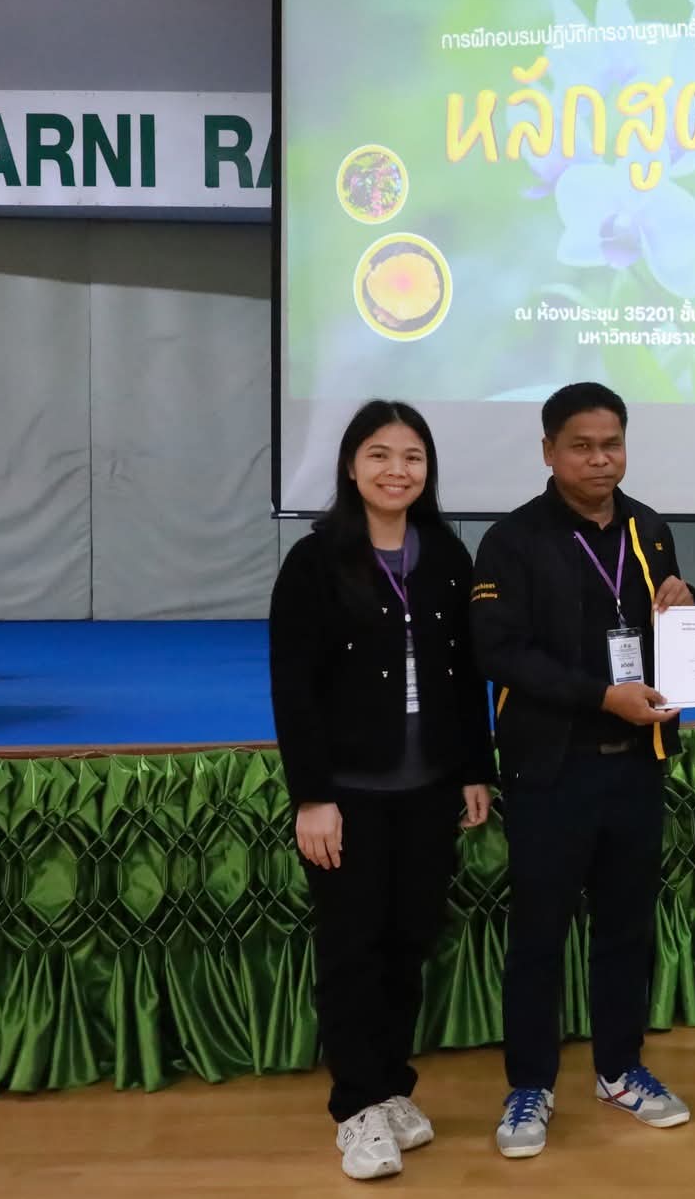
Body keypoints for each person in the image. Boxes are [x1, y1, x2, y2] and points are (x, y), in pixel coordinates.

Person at [268, 399, 496, 1181]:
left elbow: (466, 676)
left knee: (410, 940)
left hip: (428, 788)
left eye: (412, 457)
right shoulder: (314, 561)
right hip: (349, 793)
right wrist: (312, 796)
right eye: (379, 454)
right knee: (353, 948)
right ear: (351, 465)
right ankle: (357, 1106)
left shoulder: (447, 555)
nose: (397, 470)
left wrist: (474, 767)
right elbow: (294, 688)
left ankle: (393, 1084)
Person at [470, 382, 695, 1159]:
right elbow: (501, 651)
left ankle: (619, 1067)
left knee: (627, 928)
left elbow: (662, 631)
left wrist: (686, 605)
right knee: (540, 932)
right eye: (581, 446)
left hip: (637, 764)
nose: (600, 459)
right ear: (548, 451)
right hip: (550, 769)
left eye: (612, 444)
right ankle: (530, 1083)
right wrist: (603, 696)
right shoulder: (511, 540)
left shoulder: (650, 529)